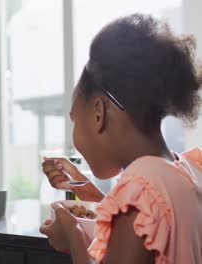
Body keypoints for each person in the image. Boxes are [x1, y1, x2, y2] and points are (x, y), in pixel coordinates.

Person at [40, 14, 202, 263]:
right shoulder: (185, 171)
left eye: (75, 119)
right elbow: (149, 223)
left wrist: (72, 236)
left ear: (98, 113)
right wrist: (92, 196)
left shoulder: (140, 188)